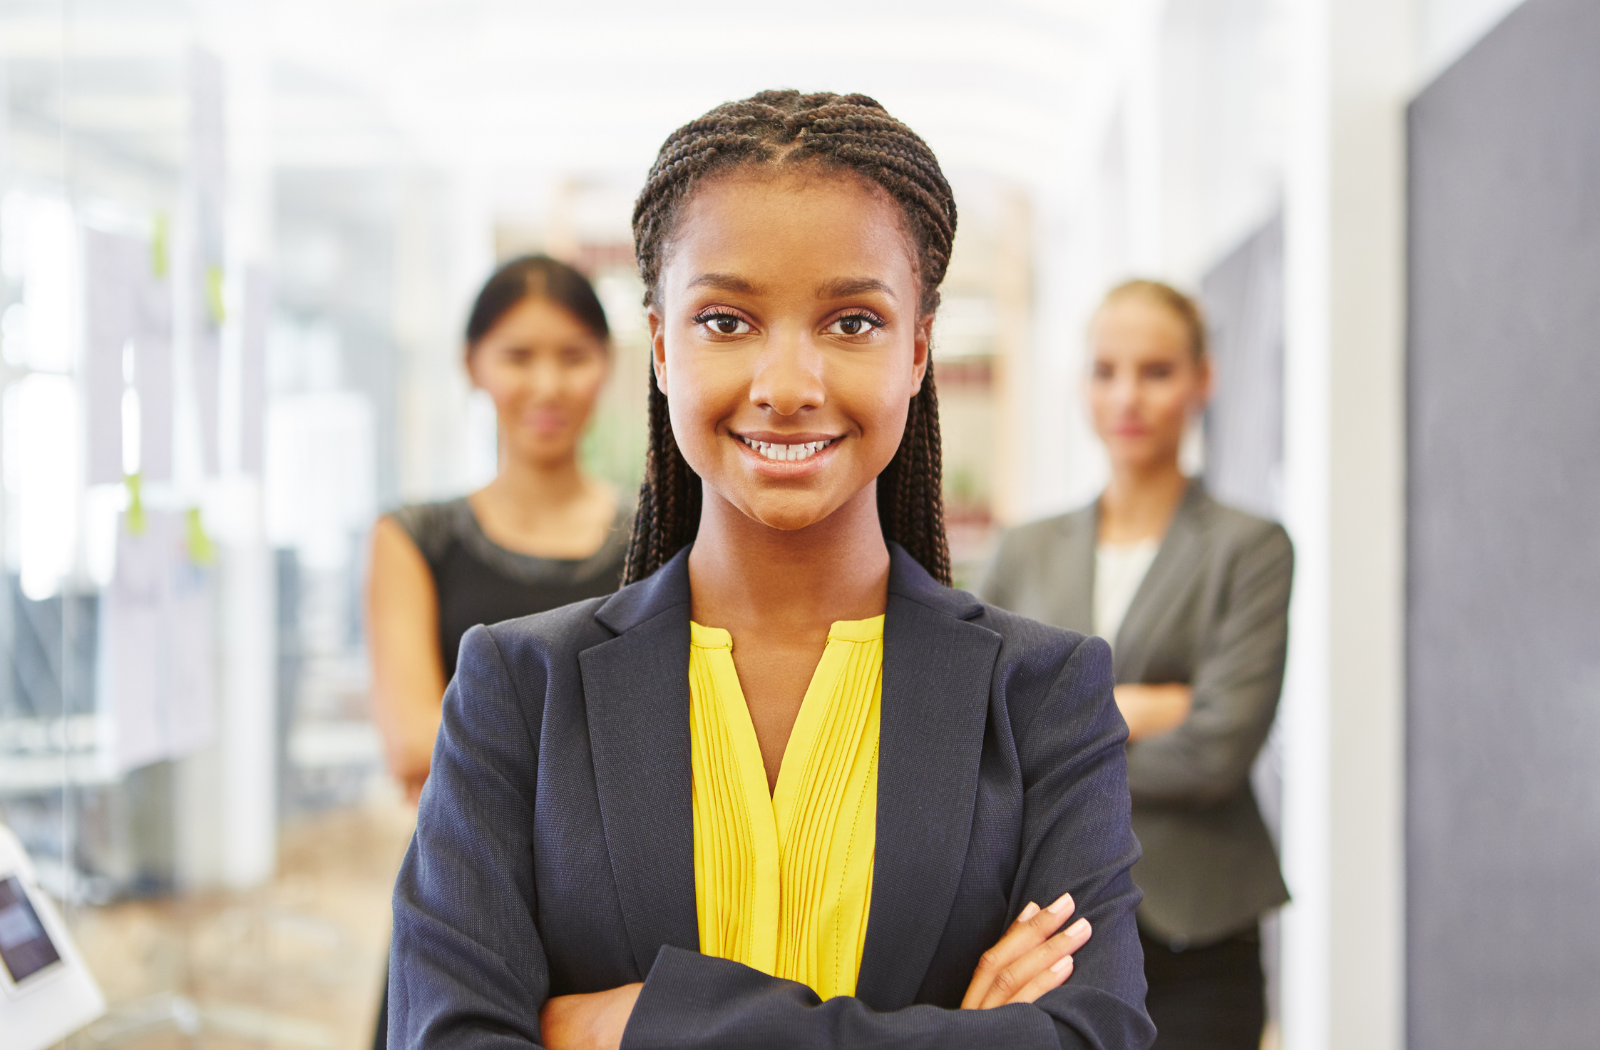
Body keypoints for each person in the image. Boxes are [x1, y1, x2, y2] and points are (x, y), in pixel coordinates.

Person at [388, 91, 1155, 1050]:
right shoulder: (517, 690)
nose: (788, 387)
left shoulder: (1043, 697)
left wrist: (637, 1026)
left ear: (918, 348)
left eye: (851, 323)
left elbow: (1094, 1040)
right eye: (725, 320)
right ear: (661, 347)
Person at [980, 280, 1292, 1050]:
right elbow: (978, 730)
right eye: (1105, 370)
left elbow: (1219, 750)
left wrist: (1059, 748)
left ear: (1201, 381)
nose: (1129, 396)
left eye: (1156, 371)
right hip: (1050, 931)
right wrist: (1148, 709)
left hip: (1199, 932)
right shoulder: (1025, 549)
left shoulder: (1249, 548)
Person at [366, 255, 630, 1049]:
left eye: (572, 355)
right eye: (518, 355)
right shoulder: (416, 539)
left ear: (609, 368)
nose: (546, 385)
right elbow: (414, 745)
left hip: (621, 927)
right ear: (472, 366)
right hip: (462, 907)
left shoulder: (663, 538)